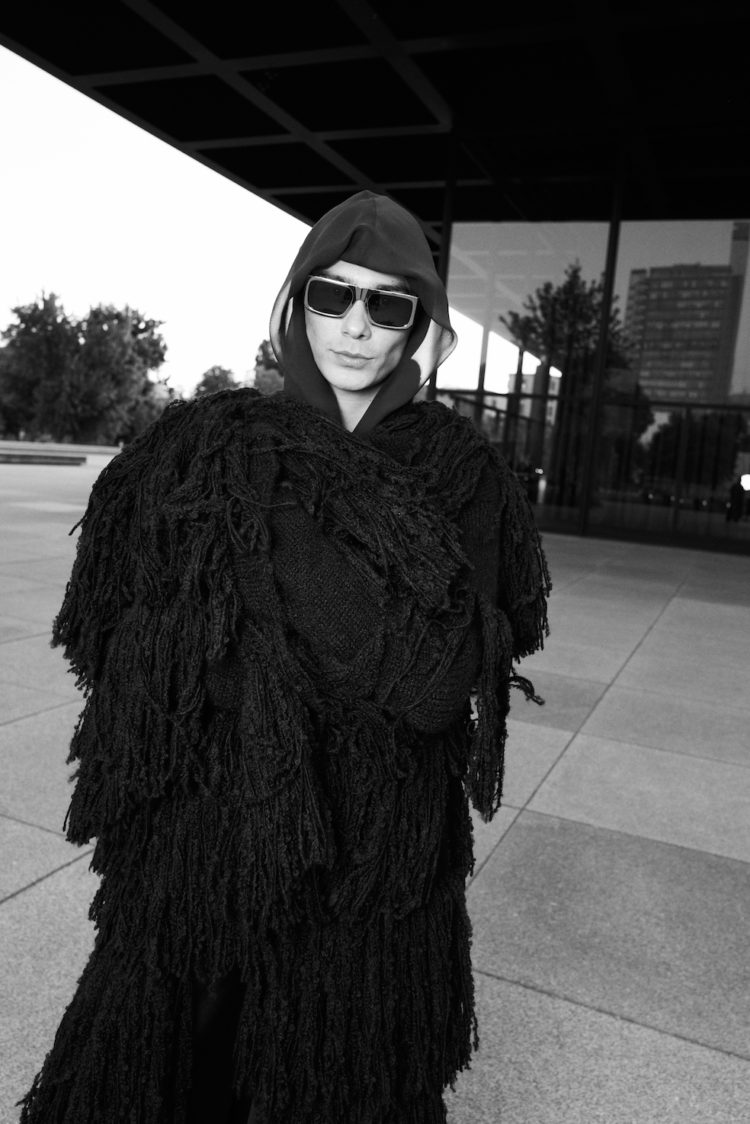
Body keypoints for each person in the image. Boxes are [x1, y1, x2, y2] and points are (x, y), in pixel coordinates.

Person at [19, 190, 551, 1124]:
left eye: (388, 304)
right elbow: (132, 650)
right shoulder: (201, 443)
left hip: (373, 862)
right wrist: (328, 632)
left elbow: (434, 687)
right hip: (207, 846)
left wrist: (265, 528)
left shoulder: (462, 473)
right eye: (331, 295)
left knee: (335, 1077)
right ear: (297, 302)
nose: (356, 325)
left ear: (421, 324)